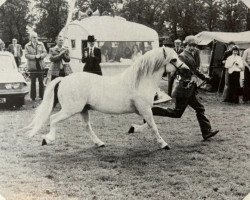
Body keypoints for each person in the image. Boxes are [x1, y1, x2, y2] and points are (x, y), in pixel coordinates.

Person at [151, 35, 219, 141]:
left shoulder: (190, 55)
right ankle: (152, 110)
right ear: (186, 45)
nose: (192, 48)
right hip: (183, 89)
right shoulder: (182, 56)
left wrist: (204, 77)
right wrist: (193, 76)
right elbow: (184, 71)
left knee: (199, 108)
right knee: (177, 113)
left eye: (194, 46)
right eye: (190, 45)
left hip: (189, 89)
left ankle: (206, 132)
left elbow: (194, 70)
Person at [25, 32, 47, 101]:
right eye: (34, 37)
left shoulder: (41, 44)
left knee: (41, 82)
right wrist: (34, 57)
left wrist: (40, 56)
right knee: (33, 83)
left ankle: (42, 96)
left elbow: (45, 52)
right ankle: (33, 97)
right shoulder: (27, 46)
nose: (36, 39)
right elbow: (26, 55)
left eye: (36, 37)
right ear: (31, 38)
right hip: (32, 67)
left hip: (40, 66)